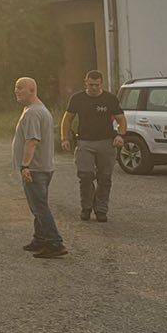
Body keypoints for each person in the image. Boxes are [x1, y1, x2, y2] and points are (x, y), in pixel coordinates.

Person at [59, 70, 126, 222]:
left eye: (96, 85)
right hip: (85, 142)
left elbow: (122, 120)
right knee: (85, 175)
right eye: (90, 85)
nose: (93, 88)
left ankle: (101, 209)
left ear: (101, 83)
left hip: (106, 142)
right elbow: (67, 119)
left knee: (105, 178)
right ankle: (86, 207)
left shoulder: (110, 99)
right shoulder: (78, 98)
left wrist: (120, 136)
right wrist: (64, 138)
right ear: (86, 83)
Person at [14, 77, 66, 259]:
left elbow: (32, 141)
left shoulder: (33, 113)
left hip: (35, 169)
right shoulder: (37, 109)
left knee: (39, 207)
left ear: (32, 89)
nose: (17, 91)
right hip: (43, 168)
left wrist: (25, 165)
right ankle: (40, 238)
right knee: (38, 205)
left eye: (20, 88)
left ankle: (54, 242)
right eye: (16, 88)